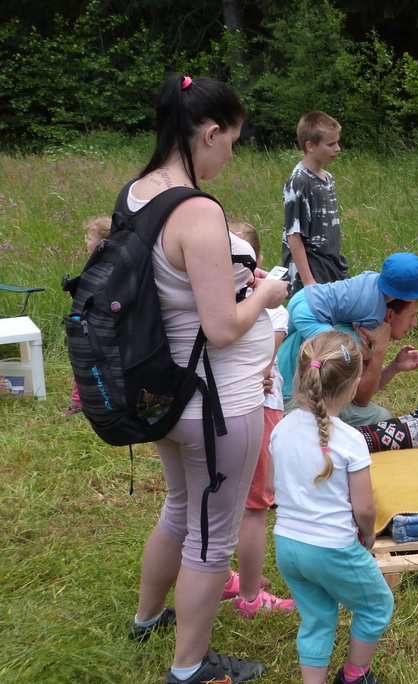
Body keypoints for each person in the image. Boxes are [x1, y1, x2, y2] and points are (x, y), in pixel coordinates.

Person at [126, 75, 289, 684]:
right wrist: (267, 294)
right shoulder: (196, 210)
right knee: (212, 538)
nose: (230, 156)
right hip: (217, 402)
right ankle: (189, 667)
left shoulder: (137, 194)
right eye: (232, 143)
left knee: (178, 507)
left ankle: (147, 618)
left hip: (161, 390)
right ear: (211, 133)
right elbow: (222, 328)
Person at [271, 332, 393, 684]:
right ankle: (355, 676)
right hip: (334, 549)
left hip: (288, 547)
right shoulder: (351, 440)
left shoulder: (280, 428)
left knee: (317, 618)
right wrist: (368, 534)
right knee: (376, 606)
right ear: (354, 386)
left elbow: (270, 487)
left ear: (300, 377)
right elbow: (364, 508)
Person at [223, 221, 296, 617]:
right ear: (259, 261)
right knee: (254, 507)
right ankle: (250, 598)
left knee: (217, 499)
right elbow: (264, 368)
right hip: (257, 408)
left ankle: (221, 577)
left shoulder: (208, 301)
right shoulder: (273, 308)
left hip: (213, 409)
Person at [276, 252, 418, 426]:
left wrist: (394, 367)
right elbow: (360, 398)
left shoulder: (360, 311)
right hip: (291, 401)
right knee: (379, 419)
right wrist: (378, 351)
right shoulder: (349, 339)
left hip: (301, 299)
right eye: (412, 316)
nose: (415, 323)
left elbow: (356, 386)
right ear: (389, 314)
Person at [281, 110, 349, 295]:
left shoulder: (328, 178)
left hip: (331, 267)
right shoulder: (299, 181)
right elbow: (293, 234)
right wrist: (308, 281)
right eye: (331, 144)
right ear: (310, 146)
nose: (338, 148)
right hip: (311, 273)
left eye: (337, 142)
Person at [63, 216, 111, 416]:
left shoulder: (108, 267)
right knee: (84, 361)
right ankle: (79, 400)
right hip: (87, 325)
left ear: (101, 244)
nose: (85, 241)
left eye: (89, 238)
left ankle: (80, 401)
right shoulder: (95, 265)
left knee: (88, 361)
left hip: (98, 327)